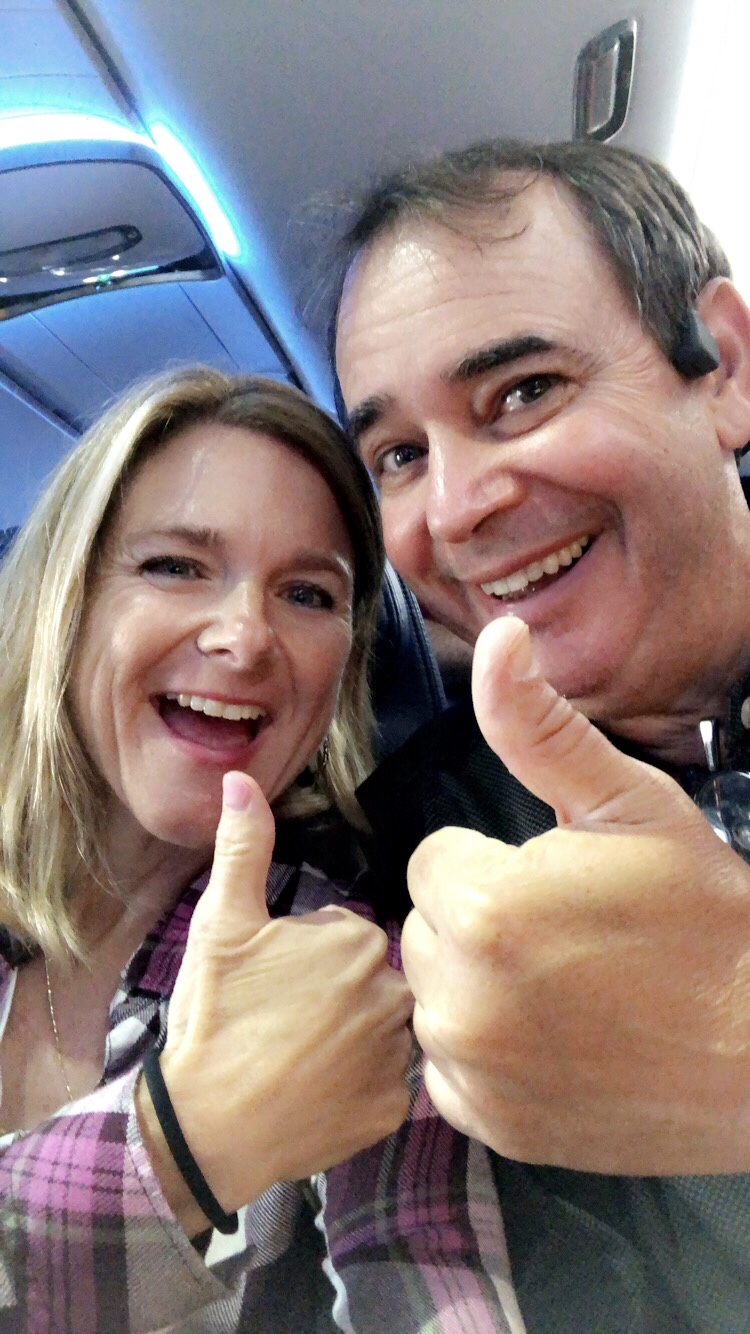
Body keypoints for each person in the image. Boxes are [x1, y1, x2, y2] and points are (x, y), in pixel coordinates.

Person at [0, 367, 521, 1332]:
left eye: (307, 593)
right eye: (175, 566)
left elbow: (428, 1284)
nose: (245, 638)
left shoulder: (348, 966)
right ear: (67, 601)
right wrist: (184, 1145)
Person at [329, 138, 750, 1328]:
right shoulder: (415, 851)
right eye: (400, 455)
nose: (457, 508)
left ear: (723, 367)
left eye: (522, 391)